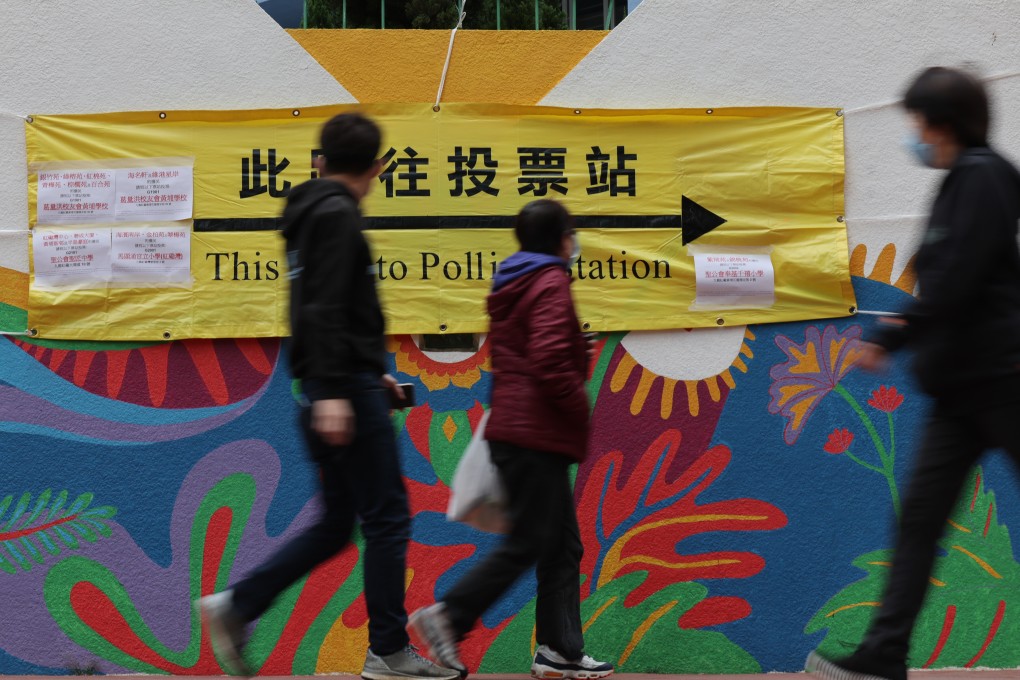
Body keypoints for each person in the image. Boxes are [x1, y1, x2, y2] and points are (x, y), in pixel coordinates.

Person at [197, 113, 458, 680]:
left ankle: (239, 604)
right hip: (341, 393)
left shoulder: (311, 216)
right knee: (387, 519)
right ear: (378, 168)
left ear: (320, 160)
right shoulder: (338, 216)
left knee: (338, 525)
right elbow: (321, 311)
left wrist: (369, 372)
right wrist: (339, 389)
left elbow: (325, 306)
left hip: (337, 386)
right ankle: (388, 651)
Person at [806, 67, 1020, 680]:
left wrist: (893, 335)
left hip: (1002, 380)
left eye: (919, 121)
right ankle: (883, 655)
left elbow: (958, 279)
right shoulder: (962, 181)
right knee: (919, 519)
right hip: (960, 390)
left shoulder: (983, 177)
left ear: (943, 123)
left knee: (920, 521)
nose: (915, 133)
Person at [410, 199, 614, 680]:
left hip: (521, 430)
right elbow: (546, 363)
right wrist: (575, 401)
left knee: (562, 545)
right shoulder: (550, 280)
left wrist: (572, 352)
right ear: (560, 238)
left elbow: (533, 352)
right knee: (531, 540)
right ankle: (450, 615)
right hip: (535, 434)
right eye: (571, 232)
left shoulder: (516, 280)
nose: (575, 242)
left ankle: (559, 651)